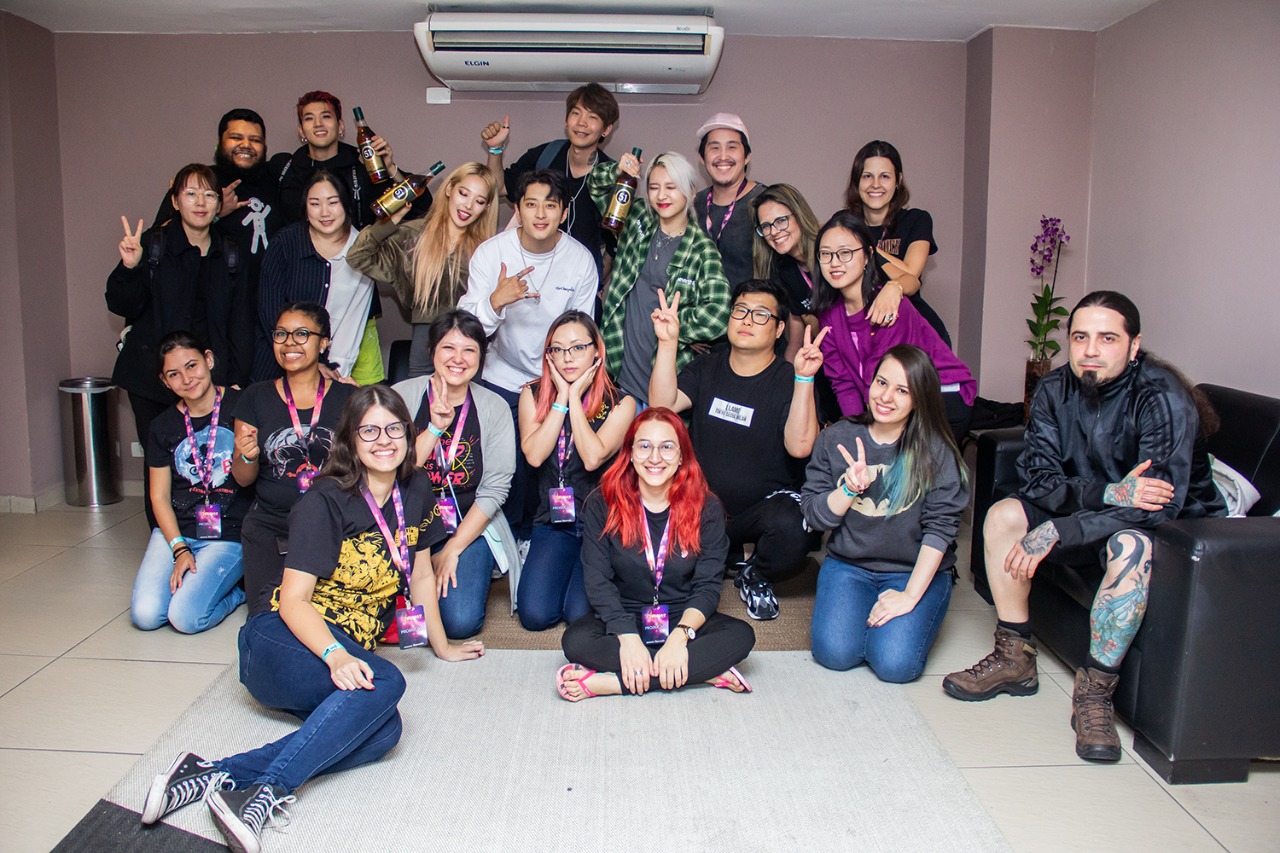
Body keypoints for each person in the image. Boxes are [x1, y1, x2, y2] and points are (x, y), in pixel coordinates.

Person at [138, 386, 483, 852]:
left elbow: (420, 573)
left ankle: (213, 774)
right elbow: (293, 601)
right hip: (282, 640)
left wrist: (441, 645)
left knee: (385, 731)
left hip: (343, 644)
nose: (384, 440)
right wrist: (335, 654)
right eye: (370, 430)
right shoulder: (325, 500)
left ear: (409, 432)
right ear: (351, 440)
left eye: (394, 428)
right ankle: (267, 791)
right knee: (387, 686)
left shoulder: (416, 487)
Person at [942, 291, 1226, 762]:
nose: (1091, 349)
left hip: (1168, 535)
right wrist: (1111, 492)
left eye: (1107, 337)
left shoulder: (1164, 399)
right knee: (1004, 515)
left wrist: (1061, 530)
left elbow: (1159, 506)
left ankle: (1094, 694)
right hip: (1102, 511)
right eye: (1080, 337)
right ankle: (1014, 656)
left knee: (1131, 545)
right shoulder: (1054, 390)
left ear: (1134, 346)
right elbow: (1039, 482)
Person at [648, 278, 823, 621]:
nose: (746, 320)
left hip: (764, 510)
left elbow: (801, 447)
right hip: (705, 508)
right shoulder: (707, 367)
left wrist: (805, 379)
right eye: (740, 310)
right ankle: (724, 553)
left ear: (779, 330)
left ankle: (754, 570)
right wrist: (668, 344)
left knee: (793, 528)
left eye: (760, 315)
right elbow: (662, 405)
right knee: (663, 560)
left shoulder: (789, 377)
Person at [557, 408, 756, 701]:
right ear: (630, 452)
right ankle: (703, 670)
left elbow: (708, 586)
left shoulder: (706, 508)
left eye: (666, 447)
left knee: (741, 636)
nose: (654, 458)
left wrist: (680, 638)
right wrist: (628, 638)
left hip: (681, 615)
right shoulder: (602, 502)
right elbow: (598, 582)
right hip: (626, 612)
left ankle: (615, 683)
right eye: (645, 446)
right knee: (575, 641)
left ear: (681, 456)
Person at [803, 345, 969, 682]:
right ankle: (868, 621)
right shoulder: (836, 438)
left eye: (902, 390)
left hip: (912, 570)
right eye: (881, 383)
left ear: (919, 400)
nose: (886, 397)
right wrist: (848, 490)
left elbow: (941, 529)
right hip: (850, 566)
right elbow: (816, 518)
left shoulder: (935, 449)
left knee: (894, 665)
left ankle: (891, 622)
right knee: (834, 654)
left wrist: (909, 596)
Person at [109, 162, 254, 528]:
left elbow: (240, 322)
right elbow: (122, 304)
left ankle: (210, 538)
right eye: (191, 193)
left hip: (207, 381)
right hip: (151, 380)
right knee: (160, 463)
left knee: (211, 462)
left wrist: (235, 378)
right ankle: (166, 540)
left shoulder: (232, 253)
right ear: (175, 201)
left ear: (220, 202)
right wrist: (130, 267)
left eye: (209, 194)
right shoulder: (153, 246)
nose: (201, 202)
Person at [392, 310, 519, 638]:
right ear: (432, 350)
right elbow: (391, 472)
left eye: (469, 350)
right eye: (448, 348)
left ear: (481, 356)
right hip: (405, 524)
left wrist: (452, 549)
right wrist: (434, 428)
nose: (458, 359)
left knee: (459, 622)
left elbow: (495, 490)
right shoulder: (401, 397)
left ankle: (473, 567)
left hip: (466, 524)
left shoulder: (495, 408)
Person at [233, 302, 356, 617]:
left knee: (330, 614)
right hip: (272, 523)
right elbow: (243, 479)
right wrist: (246, 456)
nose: (289, 343)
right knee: (267, 615)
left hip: (334, 524)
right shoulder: (255, 397)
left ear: (323, 342)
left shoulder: (349, 398)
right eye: (281, 334)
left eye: (302, 334)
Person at [516, 311, 636, 630]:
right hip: (553, 521)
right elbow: (535, 455)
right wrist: (560, 401)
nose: (567, 358)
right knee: (535, 616)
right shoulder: (531, 394)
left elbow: (592, 457)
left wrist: (573, 395)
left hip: (602, 525)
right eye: (558, 349)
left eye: (578, 348)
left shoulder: (622, 403)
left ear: (596, 350)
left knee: (579, 616)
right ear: (548, 355)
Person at [812, 212, 976, 443]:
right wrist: (857, 434)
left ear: (868, 255)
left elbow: (885, 376)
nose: (835, 262)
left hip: (940, 396)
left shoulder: (889, 302)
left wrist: (867, 438)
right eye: (826, 254)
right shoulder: (829, 315)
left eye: (845, 252)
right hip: (893, 401)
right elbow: (843, 384)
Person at [131, 332, 252, 634]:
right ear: (165, 381)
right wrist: (179, 548)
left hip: (228, 534)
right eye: (174, 374)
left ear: (208, 360)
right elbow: (158, 497)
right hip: (177, 532)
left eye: (192, 365)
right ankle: (195, 574)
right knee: (146, 616)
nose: (186, 378)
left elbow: (249, 476)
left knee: (185, 618)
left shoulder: (242, 405)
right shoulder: (162, 426)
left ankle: (239, 592)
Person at [589, 150, 730, 404]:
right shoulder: (638, 217)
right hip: (616, 369)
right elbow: (596, 186)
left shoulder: (701, 249)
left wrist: (678, 327)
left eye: (671, 187)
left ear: (690, 192)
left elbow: (718, 315)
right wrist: (618, 171)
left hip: (662, 380)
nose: (661, 195)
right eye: (654, 187)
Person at [348, 162, 499, 378]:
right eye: (463, 194)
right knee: (418, 402)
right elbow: (358, 256)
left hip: (470, 340)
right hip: (425, 336)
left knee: (468, 406)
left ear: (486, 207)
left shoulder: (487, 249)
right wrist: (391, 220)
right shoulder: (413, 235)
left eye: (479, 201)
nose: (468, 206)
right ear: (449, 189)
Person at [254, 171, 382, 384]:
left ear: (346, 204)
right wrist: (307, 360)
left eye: (333, 202)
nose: (325, 212)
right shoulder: (285, 243)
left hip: (330, 370)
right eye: (315, 204)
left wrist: (333, 370)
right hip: (278, 360)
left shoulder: (361, 247)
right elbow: (269, 310)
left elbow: (354, 319)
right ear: (305, 208)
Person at [479, 83, 619, 275]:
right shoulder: (545, 155)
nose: (582, 123)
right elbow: (498, 188)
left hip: (580, 275)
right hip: (531, 271)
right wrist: (495, 149)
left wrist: (598, 281)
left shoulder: (611, 177)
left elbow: (615, 243)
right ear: (566, 120)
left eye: (593, 117)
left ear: (606, 129)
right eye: (576, 113)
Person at [150, 108, 283, 294]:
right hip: (212, 301)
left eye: (255, 140)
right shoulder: (198, 182)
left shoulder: (276, 181)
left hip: (268, 299)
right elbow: (160, 237)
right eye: (236, 138)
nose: (246, 145)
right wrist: (216, 214)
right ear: (219, 143)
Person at [271, 90, 429, 230]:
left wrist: (389, 169)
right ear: (301, 131)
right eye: (309, 118)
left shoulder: (363, 165)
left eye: (326, 116)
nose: (318, 124)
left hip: (354, 260)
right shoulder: (285, 168)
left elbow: (420, 208)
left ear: (340, 127)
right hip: (296, 260)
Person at [844, 140, 950, 346]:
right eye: (867, 176)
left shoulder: (916, 220)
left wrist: (868, 248)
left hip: (916, 332)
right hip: (864, 331)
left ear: (898, 180)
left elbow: (911, 277)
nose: (876, 184)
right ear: (857, 181)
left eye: (884, 176)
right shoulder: (844, 222)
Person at [692, 113, 765, 289]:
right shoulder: (694, 204)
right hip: (704, 311)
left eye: (732, 147)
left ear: (747, 156)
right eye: (714, 148)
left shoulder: (766, 202)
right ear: (702, 158)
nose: (723, 156)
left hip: (751, 312)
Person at [751, 183, 823, 362]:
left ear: (799, 215)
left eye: (781, 221)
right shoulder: (786, 269)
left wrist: (894, 287)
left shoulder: (831, 246)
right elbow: (804, 331)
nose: (774, 232)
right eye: (766, 226)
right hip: (829, 354)